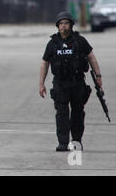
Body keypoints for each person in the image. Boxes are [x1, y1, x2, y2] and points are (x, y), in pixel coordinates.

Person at [39, 12, 103, 152]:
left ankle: (76, 141)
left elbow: (91, 58)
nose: (64, 26)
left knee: (78, 113)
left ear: (71, 25)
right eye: (61, 24)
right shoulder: (53, 43)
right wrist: (41, 84)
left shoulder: (80, 41)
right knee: (61, 113)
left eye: (66, 23)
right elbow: (45, 63)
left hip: (77, 83)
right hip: (60, 84)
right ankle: (63, 142)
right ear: (57, 26)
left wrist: (98, 76)